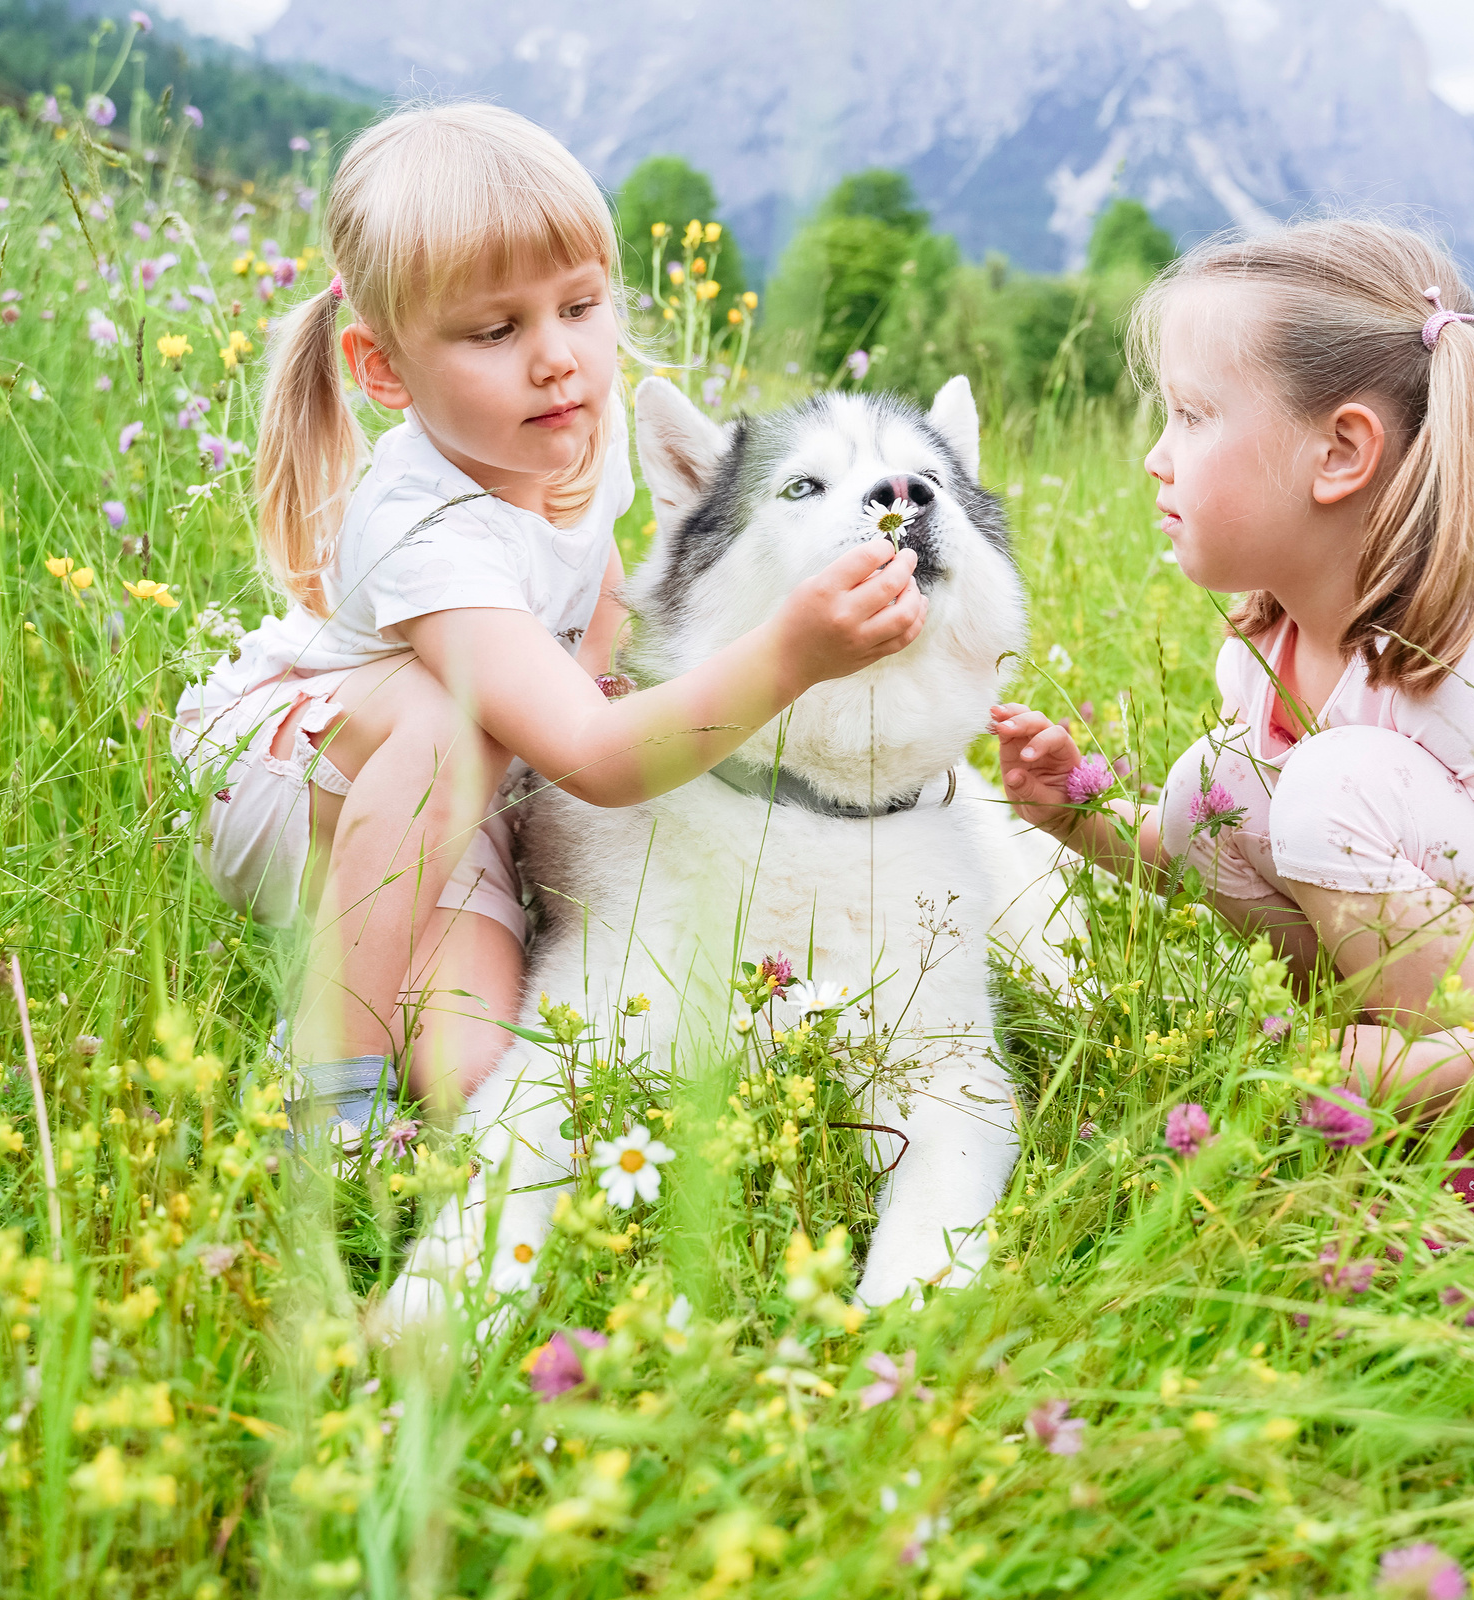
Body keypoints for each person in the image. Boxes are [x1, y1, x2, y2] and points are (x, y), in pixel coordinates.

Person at [173, 104, 925, 1149]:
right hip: (295, 781)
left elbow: (590, 568)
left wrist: (607, 676)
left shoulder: (569, 427)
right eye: (497, 330)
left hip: (452, 801)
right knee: (456, 715)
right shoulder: (422, 527)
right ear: (385, 369)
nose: (557, 358)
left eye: (580, 306)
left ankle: (381, 991)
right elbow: (597, 763)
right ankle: (322, 1092)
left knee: (469, 1066)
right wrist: (789, 652)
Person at [989, 220, 1474, 1179]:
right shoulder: (1267, 652)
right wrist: (1083, 819)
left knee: (1331, 786)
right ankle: (1430, 1142)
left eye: (1192, 417)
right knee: (1214, 788)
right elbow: (1242, 858)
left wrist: (1433, 1064)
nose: (1156, 456)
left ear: (1340, 452)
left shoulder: (1473, 668)